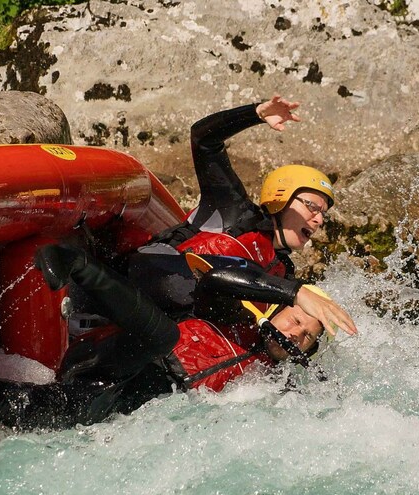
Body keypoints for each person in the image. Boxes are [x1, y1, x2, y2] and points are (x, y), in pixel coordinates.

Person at [0, 244, 337, 432]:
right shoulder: (235, 316)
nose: (296, 330)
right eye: (297, 319)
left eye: (306, 335)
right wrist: (294, 290)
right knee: (162, 336)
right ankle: (75, 261)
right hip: (124, 355)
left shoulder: (275, 386)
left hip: (129, 395)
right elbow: (214, 278)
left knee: (64, 416)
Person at [127, 94, 352, 337]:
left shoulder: (282, 271)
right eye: (312, 207)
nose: (318, 220)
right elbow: (203, 140)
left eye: (323, 215)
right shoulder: (232, 210)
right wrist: (255, 113)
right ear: (282, 197)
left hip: (171, 332)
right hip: (141, 286)